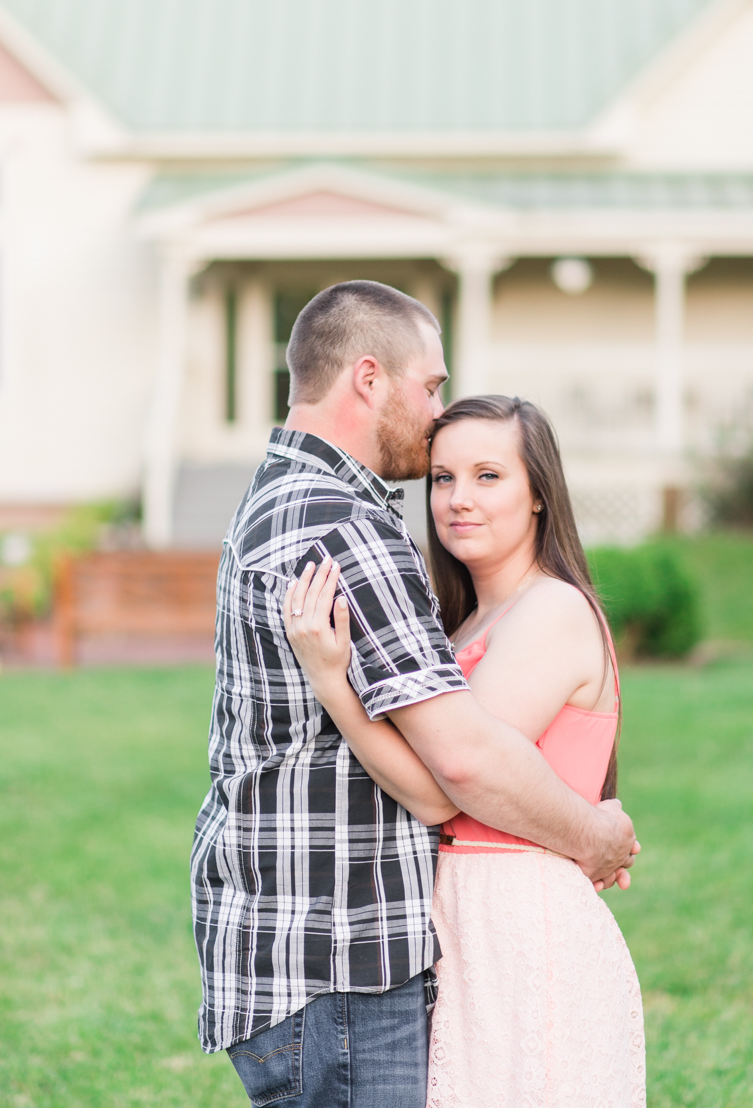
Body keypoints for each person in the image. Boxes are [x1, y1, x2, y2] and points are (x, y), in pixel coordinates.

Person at [191, 281, 638, 1108]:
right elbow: (458, 771)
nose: (434, 412)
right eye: (430, 387)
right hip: (343, 957)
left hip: (419, 940)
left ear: (537, 489)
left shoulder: (283, 501)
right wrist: (594, 836)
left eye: (487, 474)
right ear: (370, 378)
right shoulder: (347, 528)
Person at [284, 395, 646, 1107]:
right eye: (443, 478)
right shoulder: (468, 622)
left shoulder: (551, 610)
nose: (458, 499)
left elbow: (440, 788)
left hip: (522, 925)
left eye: (488, 476)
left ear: (539, 494)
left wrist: (333, 683)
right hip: (463, 921)